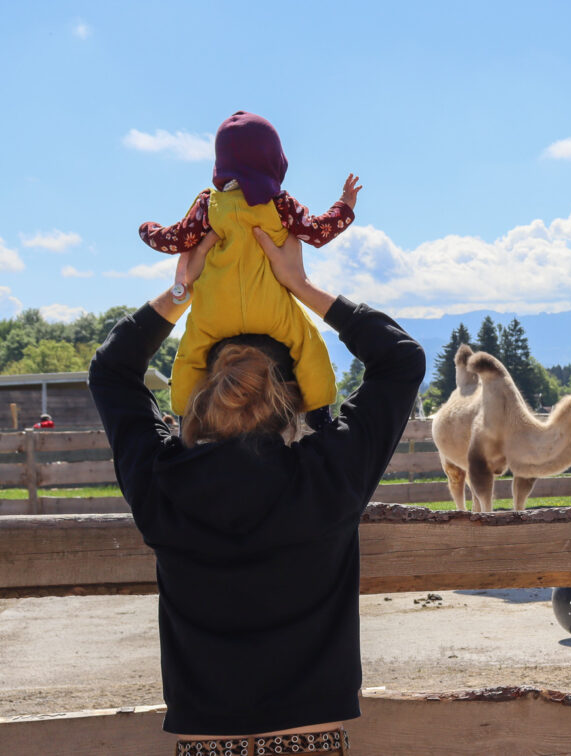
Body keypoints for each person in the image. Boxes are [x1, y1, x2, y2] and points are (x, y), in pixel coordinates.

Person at [89, 230, 425, 753]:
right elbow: (401, 359)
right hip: (308, 735)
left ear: (202, 394)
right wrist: (301, 285)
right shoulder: (328, 475)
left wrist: (184, 290)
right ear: (294, 398)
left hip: (206, 737)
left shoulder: (164, 481)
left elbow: (111, 371)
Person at [138, 110, 361, 417]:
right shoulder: (280, 205)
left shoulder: (208, 205)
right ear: (274, 161)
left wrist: (147, 229)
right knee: (308, 346)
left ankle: (183, 421)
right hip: (271, 309)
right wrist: (344, 207)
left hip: (215, 310)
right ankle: (320, 418)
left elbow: (176, 239)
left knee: (190, 353)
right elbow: (316, 232)